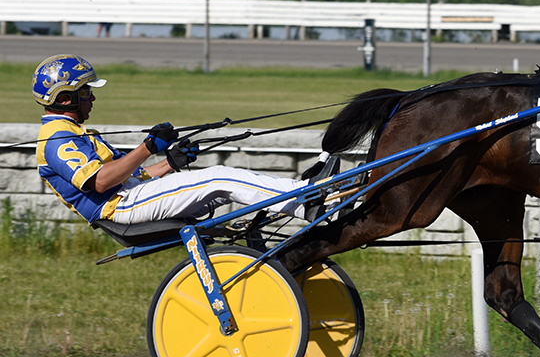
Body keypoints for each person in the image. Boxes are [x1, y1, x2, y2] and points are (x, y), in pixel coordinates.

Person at [33, 54, 328, 227]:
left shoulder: (75, 133)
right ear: (66, 98)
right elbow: (100, 182)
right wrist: (146, 147)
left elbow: (130, 174)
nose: (92, 97)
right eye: (86, 92)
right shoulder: (58, 139)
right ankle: (306, 193)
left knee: (220, 189)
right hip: (119, 206)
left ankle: (304, 207)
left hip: (132, 195)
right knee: (218, 178)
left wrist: (170, 162)